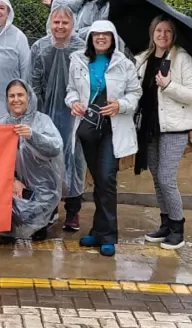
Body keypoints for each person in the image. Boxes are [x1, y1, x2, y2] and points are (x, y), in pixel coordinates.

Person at [66, 20, 142, 257]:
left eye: (105, 35)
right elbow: (71, 91)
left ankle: (108, 235)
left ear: (112, 38)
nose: (100, 38)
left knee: (107, 178)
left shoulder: (124, 64)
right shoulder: (78, 60)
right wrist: (74, 103)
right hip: (89, 127)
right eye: (96, 34)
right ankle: (98, 231)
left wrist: (120, 105)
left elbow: (135, 93)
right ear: (90, 37)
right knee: (98, 179)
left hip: (112, 127)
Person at [135, 16, 192, 251]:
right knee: (156, 178)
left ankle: (177, 228)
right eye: (158, 31)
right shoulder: (143, 59)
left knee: (166, 178)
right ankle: (165, 224)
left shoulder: (182, 59)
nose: (162, 35)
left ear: (173, 35)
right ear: (152, 33)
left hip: (174, 128)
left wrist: (169, 86)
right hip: (150, 127)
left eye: (167, 32)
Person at [30, 5, 86, 231]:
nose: (60, 26)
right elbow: (33, 81)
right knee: (47, 158)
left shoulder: (82, 48)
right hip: (46, 113)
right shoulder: (39, 48)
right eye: (56, 22)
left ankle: (73, 211)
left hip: (74, 113)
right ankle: (50, 207)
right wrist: (36, 113)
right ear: (50, 23)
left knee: (75, 159)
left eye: (65, 22)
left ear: (72, 25)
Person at [0, 80, 64, 244]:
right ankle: (7, 225)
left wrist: (33, 136)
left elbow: (55, 147)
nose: (16, 99)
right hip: (11, 184)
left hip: (41, 185)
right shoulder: (0, 123)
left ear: (29, 97)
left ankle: (40, 223)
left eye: (20, 95)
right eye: (11, 96)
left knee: (37, 228)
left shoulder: (43, 121)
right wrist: (12, 180)